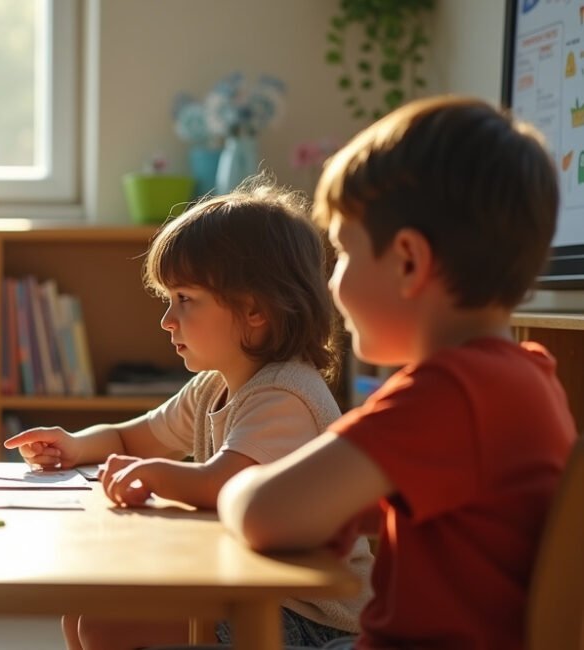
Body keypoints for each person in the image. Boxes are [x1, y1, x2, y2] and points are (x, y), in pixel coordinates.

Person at [218, 97, 577, 650]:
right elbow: (342, 509)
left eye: (342, 252)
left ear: (409, 260)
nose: (331, 282)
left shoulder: (449, 393)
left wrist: (234, 485)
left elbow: (264, 514)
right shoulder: (524, 375)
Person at [3, 177, 372, 649]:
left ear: (254, 309)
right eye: (168, 300)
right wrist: (75, 444)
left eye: (185, 300)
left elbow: (225, 485)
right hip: (255, 587)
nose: (167, 320)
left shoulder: (284, 394)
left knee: (105, 626)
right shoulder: (213, 385)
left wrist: (155, 476)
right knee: (83, 613)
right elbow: (132, 438)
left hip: (310, 614)